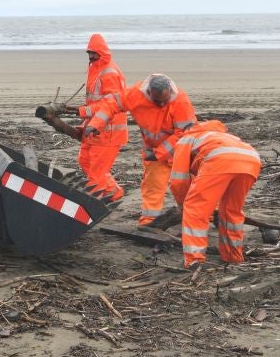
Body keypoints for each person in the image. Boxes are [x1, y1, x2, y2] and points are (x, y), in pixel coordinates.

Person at [84, 73, 197, 226]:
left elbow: (184, 133)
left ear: (170, 91)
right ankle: (148, 222)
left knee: (190, 186)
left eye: (166, 101)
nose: (163, 105)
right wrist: (96, 124)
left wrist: (159, 153)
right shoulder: (136, 94)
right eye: (159, 102)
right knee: (153, 187)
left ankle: (207, 215)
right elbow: (111, 104)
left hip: (182, 152)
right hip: (154, 152)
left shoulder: (180, 101)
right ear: (149, 93)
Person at [167, 119, 263, 267]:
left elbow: (178, 181)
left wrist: (183, 206)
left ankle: (194, 260)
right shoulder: (222, 136)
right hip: (251, 161)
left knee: (195, 210)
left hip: (220, 160)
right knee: (232, 211)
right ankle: (233, 256)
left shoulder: (186, 139)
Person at [64, 34, 128, 201]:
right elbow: (95, 101)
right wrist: (84, 121)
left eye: (94, 53)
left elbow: (111, 105)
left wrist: (82, 111)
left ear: (103, 52)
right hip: (94, 128)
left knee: (97, 172)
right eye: (89, 53)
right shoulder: (95, 69)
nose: (91, 56)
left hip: (109, 131)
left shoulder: (109, 73)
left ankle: (96, 201)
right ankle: (113, 191)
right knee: (84, 160)